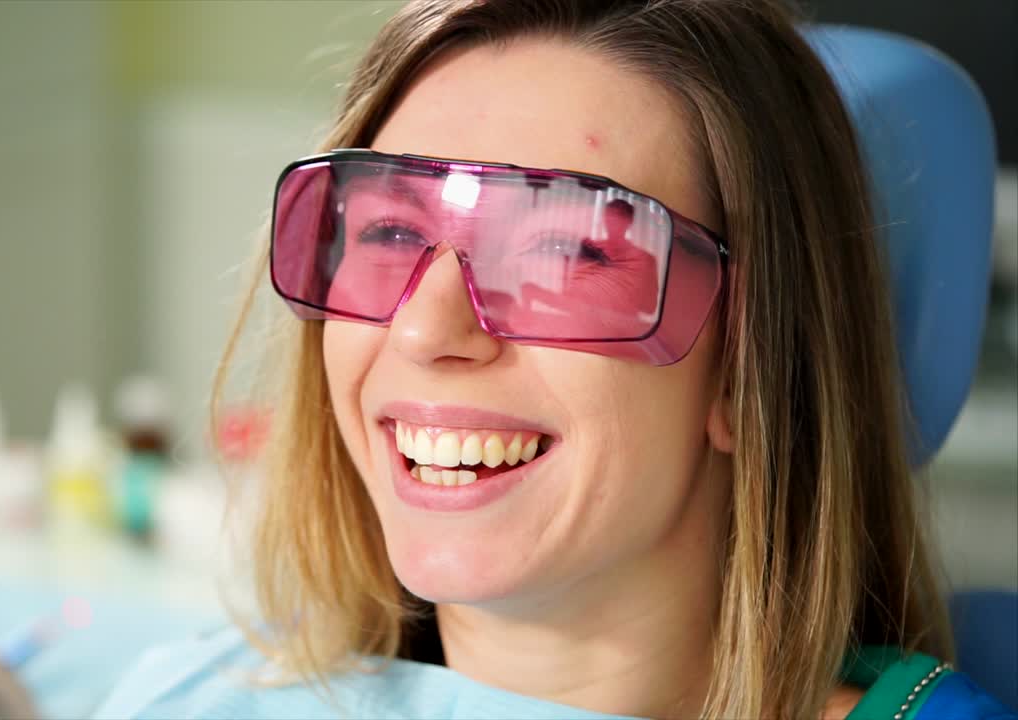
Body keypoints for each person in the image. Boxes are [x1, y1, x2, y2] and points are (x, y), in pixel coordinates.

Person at [94, 0, 1015, 718]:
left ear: (748, 366)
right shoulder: (204, 695)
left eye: (565, 254)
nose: (423, 331)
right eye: (388, 233)